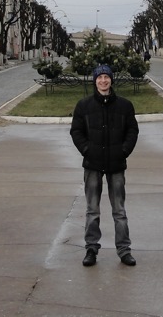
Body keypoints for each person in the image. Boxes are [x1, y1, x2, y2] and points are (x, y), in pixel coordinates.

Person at [70, 65, 140, 267]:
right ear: (94, 81)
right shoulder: (84, 106)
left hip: (116, 164)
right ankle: (91, 249)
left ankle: (124, 250)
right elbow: (76, 131)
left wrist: (123, 151)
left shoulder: (125, 106)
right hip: (92, 164)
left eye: (106, 77)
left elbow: (132, 131)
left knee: (119, 210)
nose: (103, 81)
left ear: (111, 80)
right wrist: (86, 149)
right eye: (99, 77)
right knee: (93, 210)